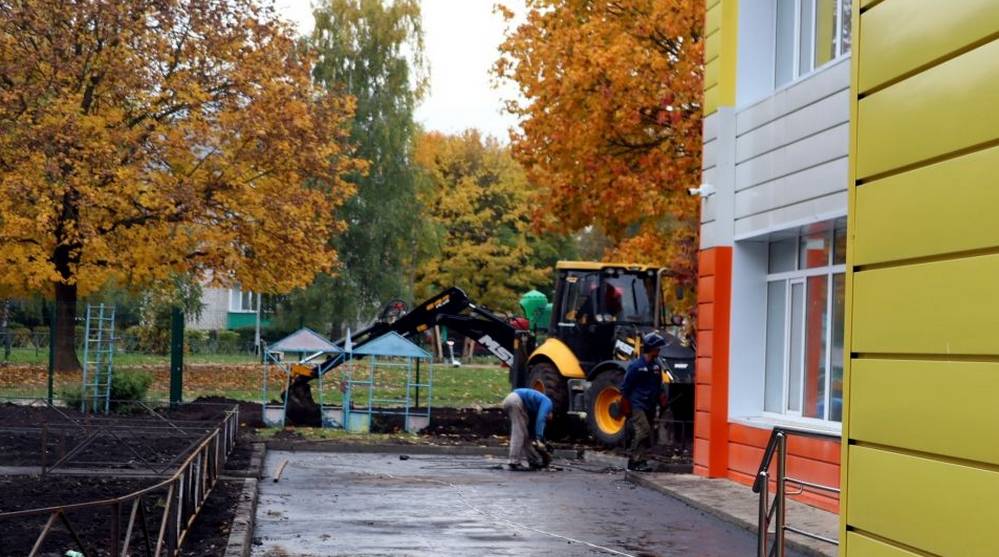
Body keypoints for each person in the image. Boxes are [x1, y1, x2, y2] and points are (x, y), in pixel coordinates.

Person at [620, 332, 667, 472]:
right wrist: (625, 405)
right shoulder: (635, 366)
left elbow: (659, 386)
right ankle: (633, 460)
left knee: (647, 434)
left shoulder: (656, 366)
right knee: (643, 431)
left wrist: (662, 397)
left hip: (650, 405)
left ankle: (641, 461)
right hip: (637, 404)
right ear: (651, 348)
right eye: (657, 348)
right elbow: (625, 388)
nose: (659, 350)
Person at [502, 388, 553, 470]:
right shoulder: (547, 403)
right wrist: (539, 437)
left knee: (525, 435)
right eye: (548, 418)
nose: (547, 419)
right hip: (515, 400)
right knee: (519, 433)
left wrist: (536, 438)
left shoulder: (535, 408)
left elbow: (531, 430)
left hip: (513, 400)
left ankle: (534, 460)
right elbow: (541, 419)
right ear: (550, 413)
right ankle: (514, 462)